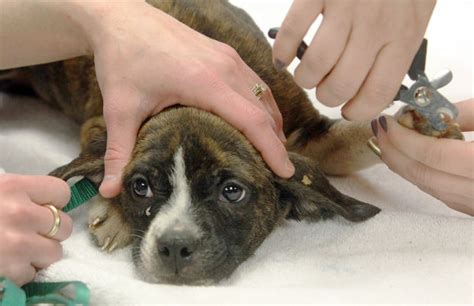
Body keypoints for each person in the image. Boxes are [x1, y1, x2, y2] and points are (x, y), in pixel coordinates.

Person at [0, 0, 470, 287]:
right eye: (142, 186)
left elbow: (313, 143)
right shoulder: (121, 115)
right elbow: (105, 134)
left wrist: (383, 134)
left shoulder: (269, 93)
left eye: (231, 190)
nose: (175, 242)